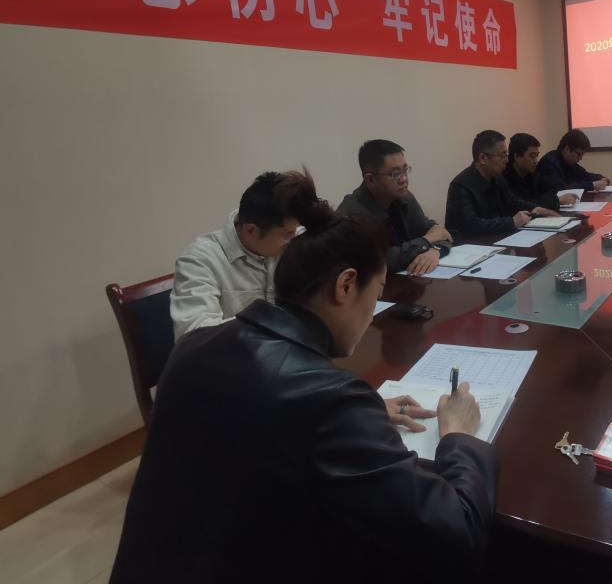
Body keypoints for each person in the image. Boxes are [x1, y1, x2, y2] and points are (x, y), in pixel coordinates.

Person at [111, 202, 498, 583]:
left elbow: (256, 417)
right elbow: (457, 534)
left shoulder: (194, 346)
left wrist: (359, 418)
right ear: (346, 285)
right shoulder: (330, 400)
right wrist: (458, 435)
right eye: (376, 293)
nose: (371, 314)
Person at [170, 169, 319, 340]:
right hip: (235, 356)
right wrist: (270, 321)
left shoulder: (290, 240)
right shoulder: (200, 260)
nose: (294, 238)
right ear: (251, 230)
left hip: (290, 351)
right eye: (288, 234)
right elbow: (193, 335)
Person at [338, 139, 452, 276]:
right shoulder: (351, 214)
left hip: (409, 281)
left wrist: (435, 250)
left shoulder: (404, 197)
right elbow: (378, 262)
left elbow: (439, 232)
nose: (404, 179)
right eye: (395, 174)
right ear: (370, 179)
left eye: (405, 170)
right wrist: (426, 241)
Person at [445, 130, 559, 238]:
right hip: (470, 247)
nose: (507, 160)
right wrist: (512, 222)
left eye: (506, 155)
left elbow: (513, 202)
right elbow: (471, 226)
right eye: (502, 155)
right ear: (483, 158)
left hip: (496, 240)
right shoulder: (460, 186)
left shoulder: (497, 178)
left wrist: (537, 209)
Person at [503, 133, 579, 211]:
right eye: (532, 156)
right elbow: (522, 204)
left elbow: (547, 193)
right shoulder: (504, 178)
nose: (536, 161)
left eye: (537, 156)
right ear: (517, 157)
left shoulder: (534, 174)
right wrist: (556, 200)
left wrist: (558, 197)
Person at [536, 129, 610, 194]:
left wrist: (601, 178)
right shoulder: (549, 163)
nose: (580, 158)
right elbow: (561, 188)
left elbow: (584, 175)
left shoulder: (569, 162)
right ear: (567, 149)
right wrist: (592, 185)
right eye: (579, 154)